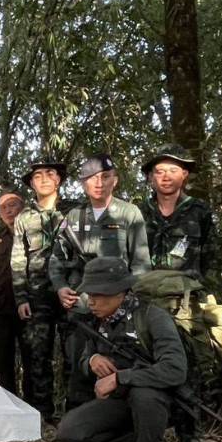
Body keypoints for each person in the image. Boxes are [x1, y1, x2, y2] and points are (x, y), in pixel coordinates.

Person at [54, 257, 187, 442]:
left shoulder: (152, 317)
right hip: (119, 400)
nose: (91, 301)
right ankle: (139, 440)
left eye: (98, 294)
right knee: (69, 434)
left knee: (144, 394)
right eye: (90, 294)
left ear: (119, 292)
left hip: (156, 401)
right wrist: (93, 361)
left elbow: (175, 369)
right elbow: (83, 359)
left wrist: (120, 378)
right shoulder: (97, 320)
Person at [48, 154, 151, 407]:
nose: (99, 183)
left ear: (115, 180)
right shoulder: (74, 217)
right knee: (78, 364)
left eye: (105, 177)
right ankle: (76, 417)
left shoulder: (129, 213)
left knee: (117, 364)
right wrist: (61, 288)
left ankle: (115, 417)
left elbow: (141, 264)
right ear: (83, 183)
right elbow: (56, 259)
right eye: (91, 178)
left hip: (118, 309)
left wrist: (127, 299)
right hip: (82, 305)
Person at [11, 157, 73, 420]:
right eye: (38, 176)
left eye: (50, 173)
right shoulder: (24, 218)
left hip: (70, 291)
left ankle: (74, 412)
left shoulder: (74, 211)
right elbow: (18, 259)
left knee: (73, 353)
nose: (44, 179)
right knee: (38, 355)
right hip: (37, 295)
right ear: (32, 184)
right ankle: (42, 414)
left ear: (59, 180)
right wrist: (21, 297)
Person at [138, 144, 216, 284]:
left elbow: (211, 258)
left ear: (184, 174)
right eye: (160, 171)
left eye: (173, 171)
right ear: (151, 176)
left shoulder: (199, 211)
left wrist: (207, 290)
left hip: (188, 292)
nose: (166, 177)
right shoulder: (139, 212)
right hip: (145, 291)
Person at [0, 187, 30, 396]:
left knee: (31, 360)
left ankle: (32, 405)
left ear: (22, 207)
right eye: (3, 208)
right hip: (1, 309)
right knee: (4, 361)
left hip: (28, 308)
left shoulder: (33, 235)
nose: (9, 210)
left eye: (13, 205)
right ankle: (9, 403)